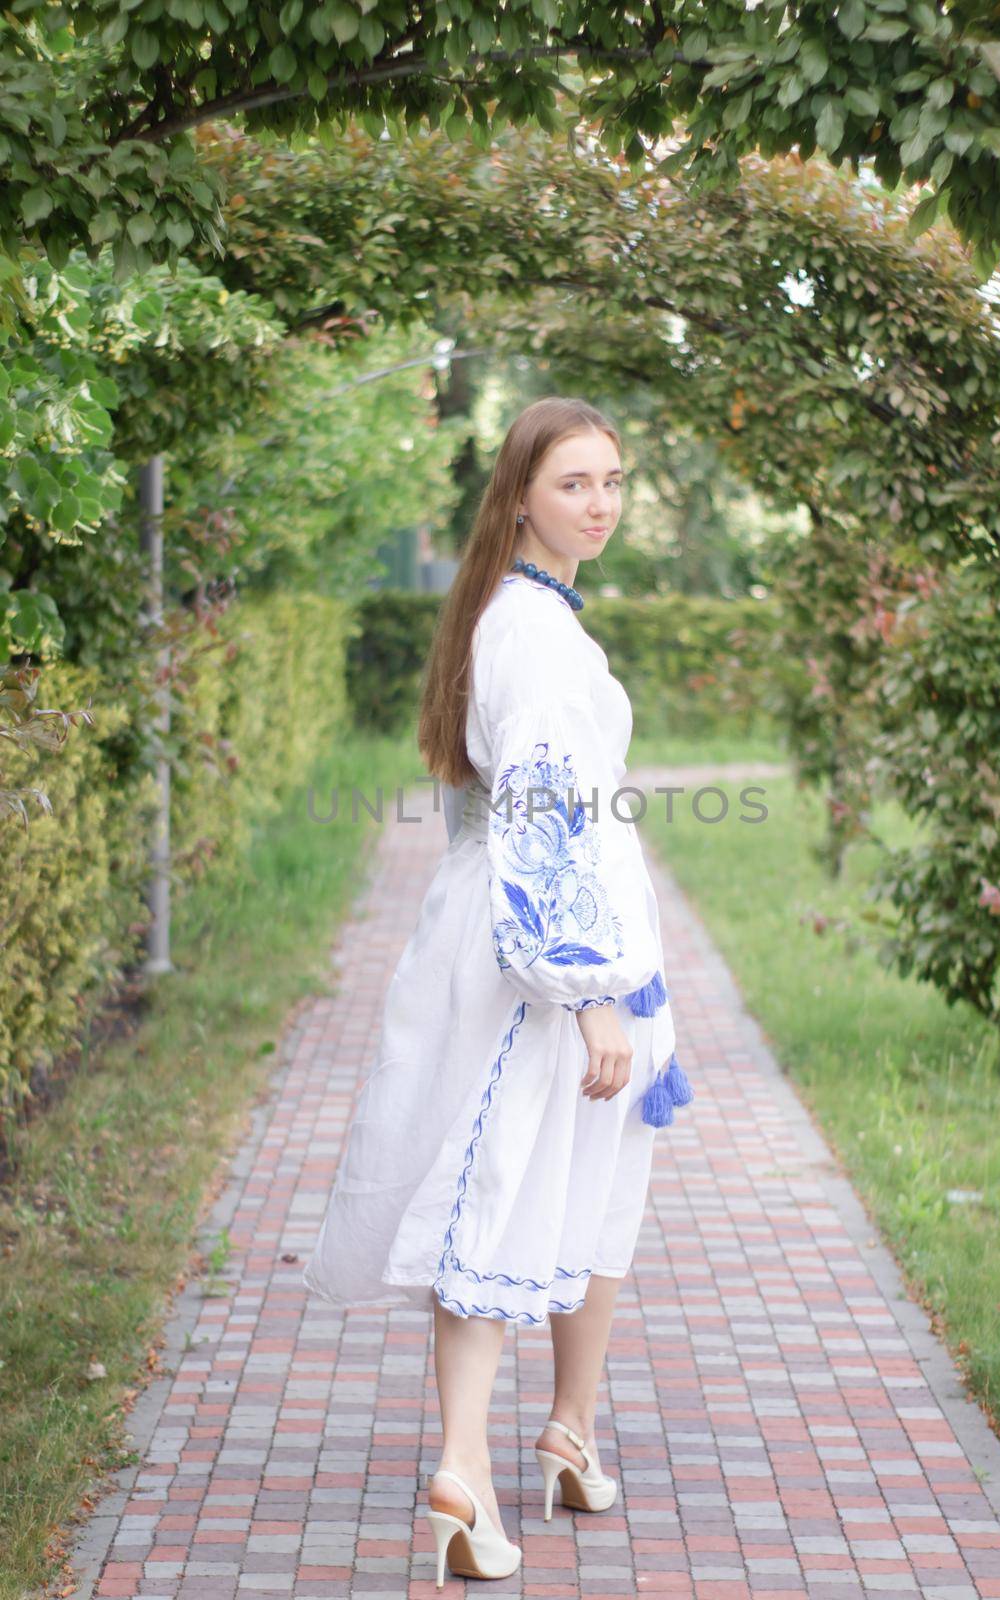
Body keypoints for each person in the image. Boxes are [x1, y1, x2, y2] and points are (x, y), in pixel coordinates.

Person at [302, 395, 693, 1587]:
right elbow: (533, 811)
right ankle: (466, 1466)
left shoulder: (527, 614)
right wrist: (585, 989)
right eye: (575, 482)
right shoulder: (526, 628)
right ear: (519, 493)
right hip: (542, 948)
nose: (601, 503)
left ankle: (561, 1436)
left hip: (556, 927)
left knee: (582, 1169)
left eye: (614, 481)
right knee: (501, 1180)